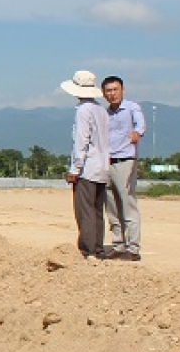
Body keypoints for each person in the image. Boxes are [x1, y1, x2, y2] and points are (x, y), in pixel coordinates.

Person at [61, 70, 110, 259]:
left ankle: (87, 249)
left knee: (85, 210)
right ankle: (98, 248)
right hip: (102, 167)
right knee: (97, 210)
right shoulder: (101, 110)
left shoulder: (83, 111)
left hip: (88, 168)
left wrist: (75, 169)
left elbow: (81, 141)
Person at [101, 76, 146, 261]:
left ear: (122, 90)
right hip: (107, 162)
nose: (112, 94)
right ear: (104, 94)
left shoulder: (131, 108)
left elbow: (140, 124)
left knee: (127, 203)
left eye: (115, 89)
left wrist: (137, 133)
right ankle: (118, 244)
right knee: (111, 205)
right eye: (109, 91)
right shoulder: (105, 113)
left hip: (125, 160)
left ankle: (133, 248)